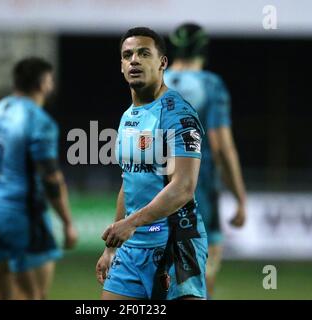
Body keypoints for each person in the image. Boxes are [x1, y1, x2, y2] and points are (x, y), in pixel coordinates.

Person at [96, 27, 207, 300]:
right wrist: (112, 247)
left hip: (177, 243)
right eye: (127, 55)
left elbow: (184, 187)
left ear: (162, 62)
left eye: (144, 53)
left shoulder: (178, 114)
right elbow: (129, 182)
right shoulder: (127, 117)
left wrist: (131, 223)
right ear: (122, 66)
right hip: (133, 247)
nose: (134, 60)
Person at [0, 57, 78, 300]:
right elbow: (51, 177)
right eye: (50, 80)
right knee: (34, 295)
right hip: (23, 216)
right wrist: (67, 222)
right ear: (43, 83)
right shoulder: (39, 121)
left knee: (2, 293)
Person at [165, 22, 247, 298]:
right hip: (197, 193)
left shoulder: (155, 81)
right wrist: (240, 198)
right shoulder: (210, 85)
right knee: (199, 283)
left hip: (151, 194)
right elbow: (222, 146)